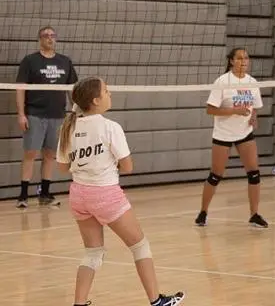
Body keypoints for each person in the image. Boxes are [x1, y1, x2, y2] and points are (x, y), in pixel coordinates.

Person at [56, 76, 185, 306]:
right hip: (104, 194)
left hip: (78, 196)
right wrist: (105, 163)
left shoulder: (69, 128)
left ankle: (79, 303)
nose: (110, 94)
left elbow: (63, 167)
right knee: (140, 245)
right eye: (106, 91)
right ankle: (156, 302)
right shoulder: (110, 127)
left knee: (93, 253)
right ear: (95, 100)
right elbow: (128, 167)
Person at [195, 47, 268, 228]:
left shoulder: (252, 82)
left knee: (254, 173)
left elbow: (255, 106)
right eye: (240, 58)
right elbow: (210, 109)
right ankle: (203, 212)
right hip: (223, 134)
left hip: (244, 133)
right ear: (231, 61)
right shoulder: (223, 82)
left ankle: (254, 214)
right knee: (216, 175)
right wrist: (234, 111)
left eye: (246, 58)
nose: (244, 61)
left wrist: (253, 116)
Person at [16, 25, 78, 208]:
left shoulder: (65, 62)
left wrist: (76, 112)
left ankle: (44, 194)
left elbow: (72, 90)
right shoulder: (30, 61)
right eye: (46, 36)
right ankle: (23, 195)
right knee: (30, 153)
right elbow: (20, 89)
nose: (50, 38)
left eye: (53, 35)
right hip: (34, 114)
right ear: (40, 39)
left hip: (57, 115)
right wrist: (21, 114)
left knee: (51, 154)